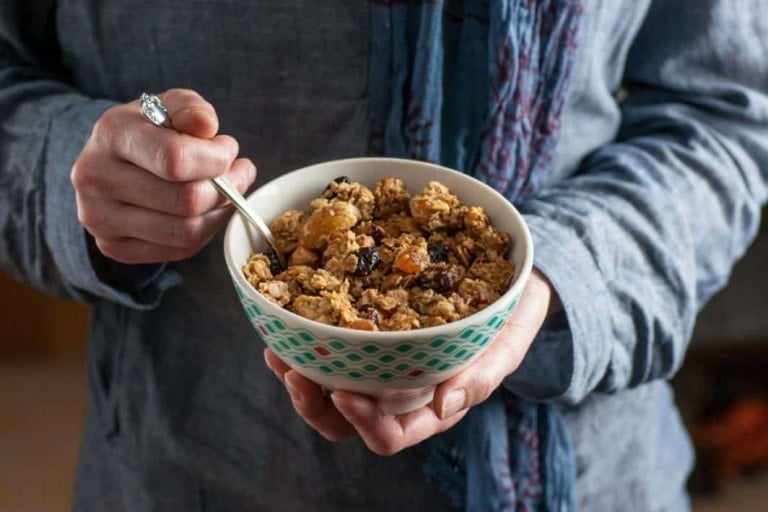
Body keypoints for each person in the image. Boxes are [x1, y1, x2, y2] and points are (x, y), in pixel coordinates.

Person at [1, 1, 766, 510]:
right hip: (195, 466)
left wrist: (552, 276)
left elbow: (725, 118)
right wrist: (78, 167)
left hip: (590, 474)